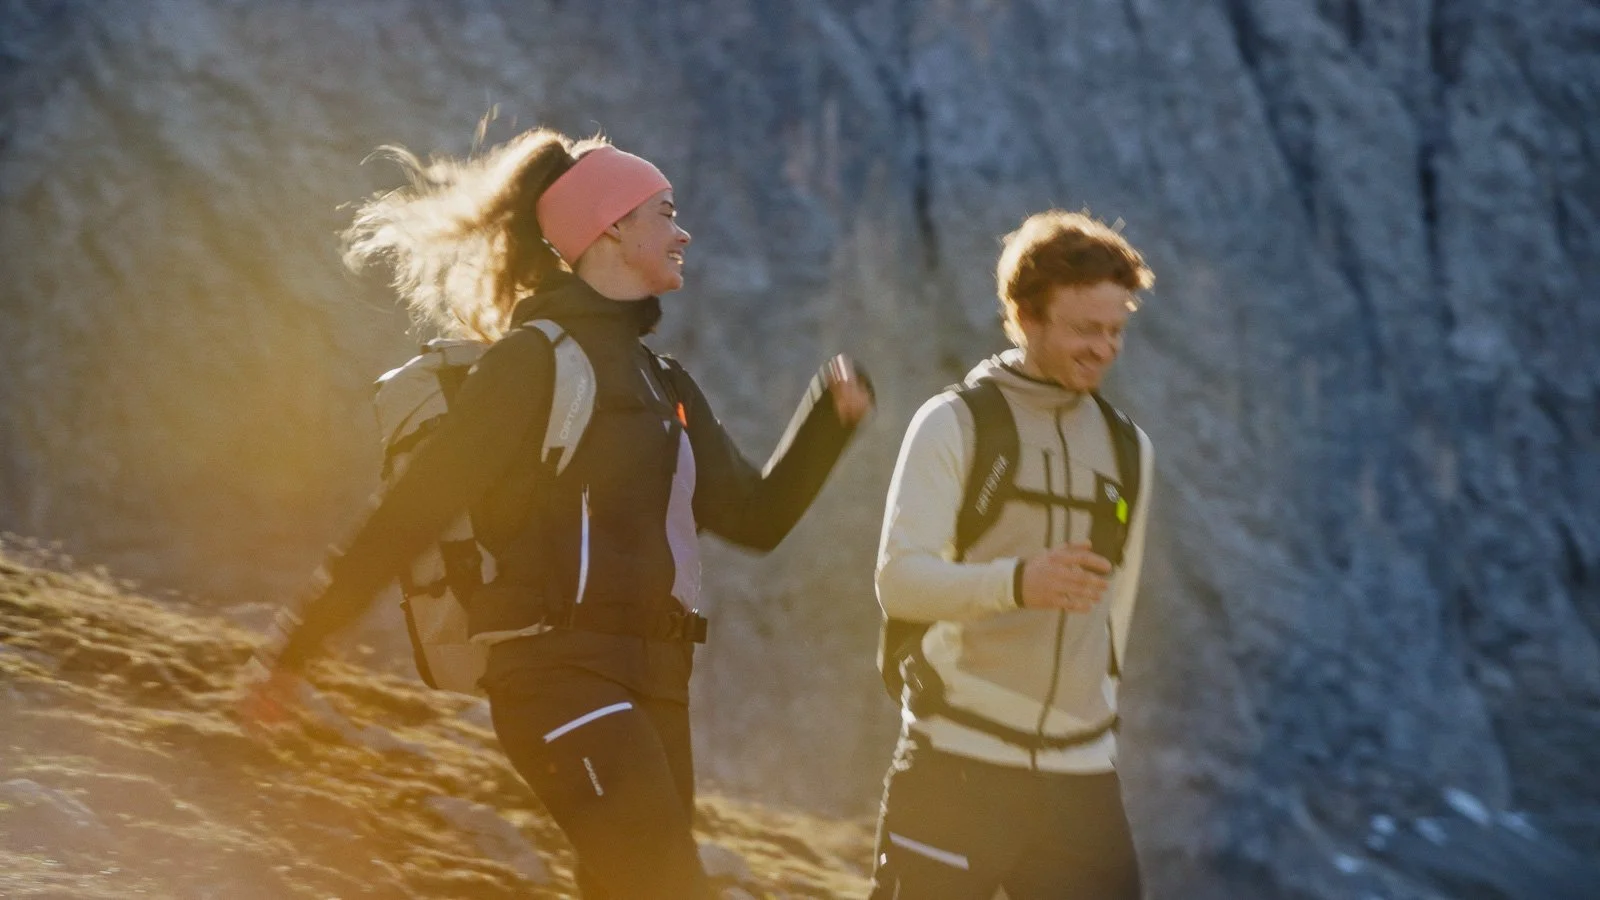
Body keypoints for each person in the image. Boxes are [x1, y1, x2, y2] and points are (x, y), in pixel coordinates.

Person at [242, 127, 872, 899]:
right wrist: (297, 648)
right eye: (664, 212)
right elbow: (412, 510)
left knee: (631, 886)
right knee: (665, 882)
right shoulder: (530, 361)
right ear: (610, 229)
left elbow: (755, 517)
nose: (684, 232)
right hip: (555, 677)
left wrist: (828, 422)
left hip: (658, 684)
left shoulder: (663, 381)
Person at [870, 210, 1154, 899]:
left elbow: (1120, 604)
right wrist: (1019, 583)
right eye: (1086, 329)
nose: (1105, 348)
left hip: (1083, 784)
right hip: (956, 766)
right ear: (1025, 317)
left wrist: (1100, 710)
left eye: (1116, 330)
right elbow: (898, 582)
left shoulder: (1129, 448)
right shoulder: (954, 423)